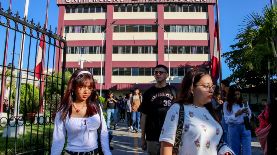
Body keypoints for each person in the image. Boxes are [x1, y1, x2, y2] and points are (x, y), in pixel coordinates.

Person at [159, 69, 234, 155]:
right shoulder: (177, 109)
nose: (211, 90)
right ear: (192, 88)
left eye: (212, 86)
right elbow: (166, 147)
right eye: (206, 86)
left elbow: (216, 142)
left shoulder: (210, 112)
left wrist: (225, 151)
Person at [51, 69, 111, 155]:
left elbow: (103, 132)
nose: (86, 91)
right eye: (82, 87)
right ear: (73, 87)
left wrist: (107, 152)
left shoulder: (96, 107)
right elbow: (58, 139)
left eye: (89, 88)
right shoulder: (64, 110)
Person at [139, 64, 177, 155]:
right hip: (152, 135)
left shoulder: (174, 91)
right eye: (156, 72)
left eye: (161, 72)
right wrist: (143, 138)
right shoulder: (148, 93)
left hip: (170, 135)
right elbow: (144, 117)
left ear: (167, 75)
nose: (158, 74)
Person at [223, 85, 252, 155]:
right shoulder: (226, 104)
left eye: (238, 94)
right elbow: (226, 120)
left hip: (245, 126)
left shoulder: (244, 102)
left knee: (247, 150)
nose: (237, 96)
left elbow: (249, 115)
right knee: (234, 150)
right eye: (235, 94)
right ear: (231, 95)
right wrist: (236, 114)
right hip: (233, 128)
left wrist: (248, 114)